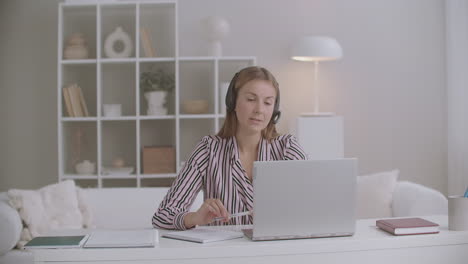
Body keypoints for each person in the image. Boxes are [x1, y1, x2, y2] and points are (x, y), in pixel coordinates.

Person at [152, 66, 307, 230]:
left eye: (268, 102)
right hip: (224, 252)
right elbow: (162, 216)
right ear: (232, 102)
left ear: (274, 109)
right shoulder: (208, 150)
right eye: (251, 99)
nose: (260, 110)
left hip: (276, 250)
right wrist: (195, 218)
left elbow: (314, 207)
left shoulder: (287, 149)